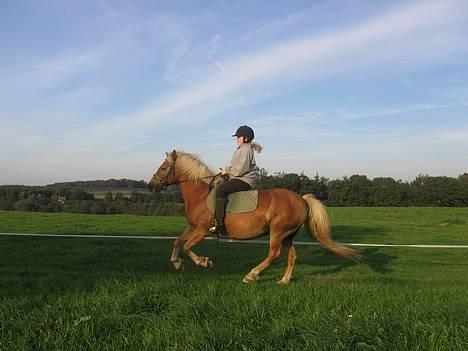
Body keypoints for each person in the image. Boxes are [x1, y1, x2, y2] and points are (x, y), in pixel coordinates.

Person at [209, 125, 262, 235]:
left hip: (244, 180)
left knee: (221, 190)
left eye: (239, 137)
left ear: (246, 138)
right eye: (236, 137)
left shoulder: (245, 150)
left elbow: (241, 170)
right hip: (240, 178)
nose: (237, 139)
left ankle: (220, 224)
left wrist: (227, 171)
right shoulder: (242, 149)